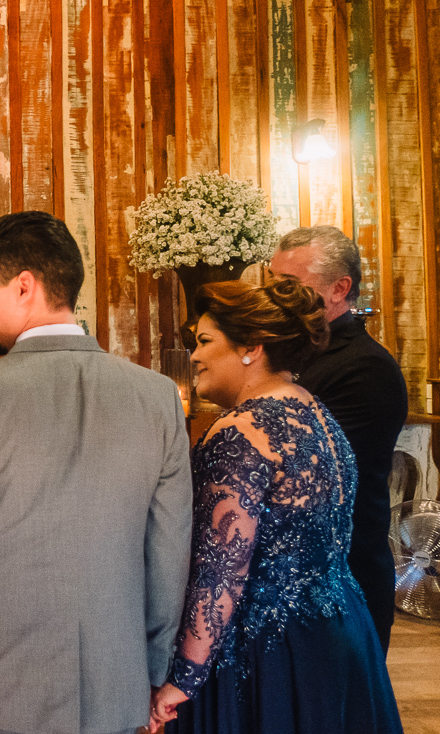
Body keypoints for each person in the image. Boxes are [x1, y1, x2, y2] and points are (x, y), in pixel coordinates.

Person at [0, 211, 193, 734]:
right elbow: (169, 553)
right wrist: (153, 672)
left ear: (24, 286)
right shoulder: (158, 396)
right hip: (115, 687)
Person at [149, 278, 403, 734]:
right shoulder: (318, 414)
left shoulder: (241, 432)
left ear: (252, 347)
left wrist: (182, 679)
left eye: (205, 342)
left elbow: (220, 571)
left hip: (266, 649)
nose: (195, 356)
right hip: (342, 625)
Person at [269, 225, 407, 653]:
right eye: (271, 282)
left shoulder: (365, 368)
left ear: (339, 289)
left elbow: (311, 473)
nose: (273, 296)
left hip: (343, 578)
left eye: (288, 285)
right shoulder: (292, 354)